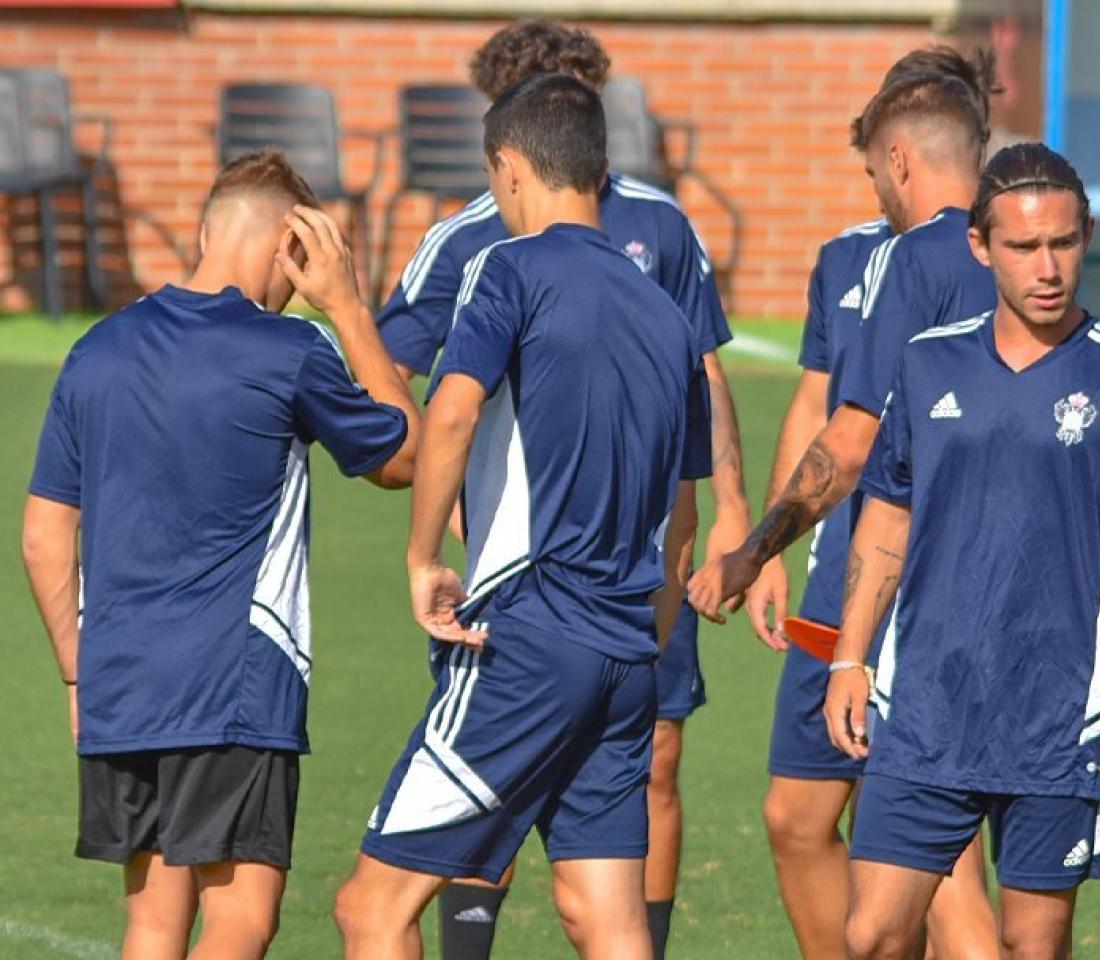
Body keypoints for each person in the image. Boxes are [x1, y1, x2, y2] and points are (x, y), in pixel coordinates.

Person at [373, 21, 754, 957]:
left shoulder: (506, 265)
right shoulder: (665, 314)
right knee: (605, 919)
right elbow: (684, 511)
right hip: (628, 653)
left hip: (528, 637)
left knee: (371, 910)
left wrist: (422, 557)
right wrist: (649, 630)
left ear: (508, 169)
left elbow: (450, 414)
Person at [21, 150, 419, 959]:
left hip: (119, 681)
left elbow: (42, 535)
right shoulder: (289, 349)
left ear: (206, 232)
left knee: (152, 922)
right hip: (235, 684)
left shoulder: (97, 349)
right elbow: (403, 457)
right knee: (239, 920)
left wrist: (77, 675)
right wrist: (347, 308)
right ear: (291, 250)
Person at [822, 142, 1100, 960]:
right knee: (873, 934)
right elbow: (886, 517)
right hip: (928, 701)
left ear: (1088, 234)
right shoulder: (927, 363)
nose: (1047, 267)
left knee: (1034, 942)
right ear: (980, 245)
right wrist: (850, 656)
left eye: (1062, 242)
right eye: (1023, 246)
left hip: (1061, 710)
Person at [748, 45, 1003, 960]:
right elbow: (817, 406)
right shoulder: (849, 258)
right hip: (839, 577)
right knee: (797, 814)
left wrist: (746, 550)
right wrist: (777, 548)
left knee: (935, 850)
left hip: (912, 584)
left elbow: (854, 437)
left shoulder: (976, 250)